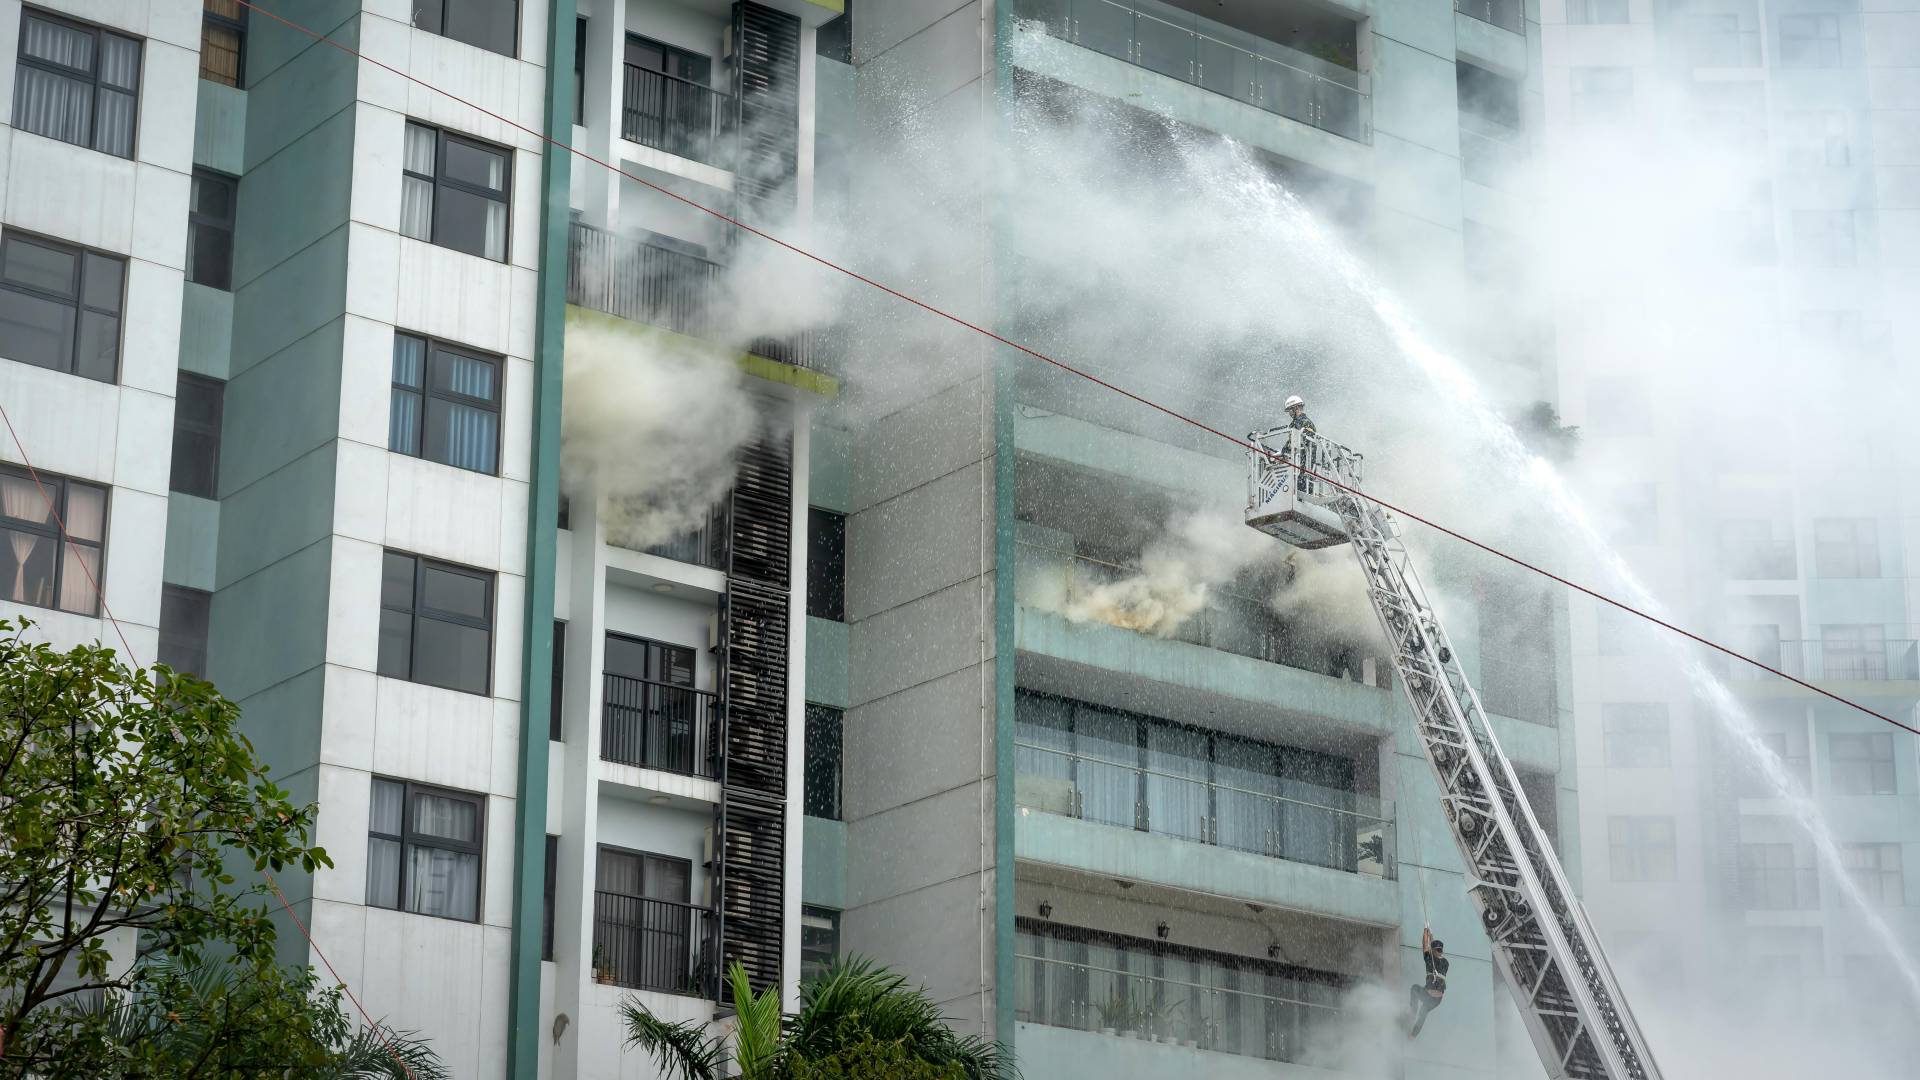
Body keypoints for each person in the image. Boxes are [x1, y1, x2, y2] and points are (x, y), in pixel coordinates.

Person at [1408, 926, 1447, 1038]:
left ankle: (1412, 1013)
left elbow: (1425, 946)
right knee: (1423, 1013)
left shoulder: (1430, 959)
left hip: (1428, 995)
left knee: (1414, 988)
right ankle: (1412, 1035)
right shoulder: (1445, 962)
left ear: (1433, 950)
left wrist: (1425, 932)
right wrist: (1431, 937)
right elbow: (1433, 948)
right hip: (1437, 1000)